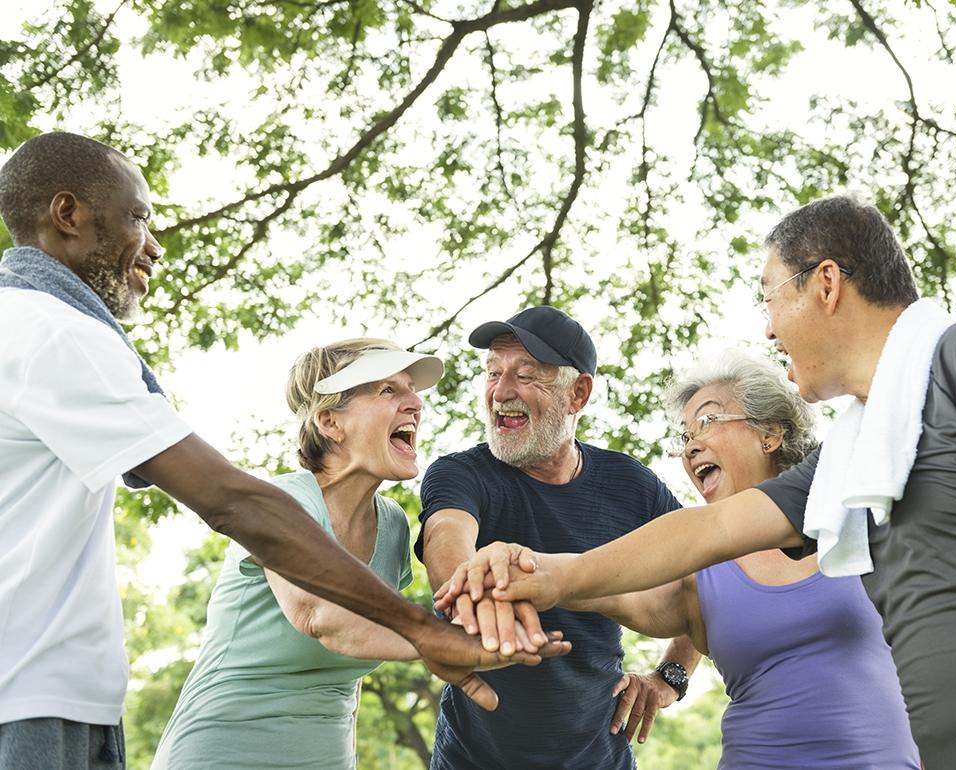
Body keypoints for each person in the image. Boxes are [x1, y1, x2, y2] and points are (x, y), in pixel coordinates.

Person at [439, 196, 956, 769]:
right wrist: (544, 573)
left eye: (770, 296)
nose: (769, 329)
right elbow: (711, 528)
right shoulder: (853, 459)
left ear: (826, 282)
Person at [0, 132, 564, 770]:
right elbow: (234, 503)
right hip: (34, 694)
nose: (155, 245)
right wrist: (429, 633)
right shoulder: (51, 332)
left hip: (64, 693)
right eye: (138, 216)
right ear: (68, 215)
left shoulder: (394, 525)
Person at [152, 338, 566, 769]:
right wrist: (445, 642)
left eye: (411, 390)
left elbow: (350, 672)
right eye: (388, 390)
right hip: (221, 753)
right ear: (331, 422)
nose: (415, 404)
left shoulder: (391, 525)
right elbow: (322, 617)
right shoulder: (284, 501)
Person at [557, 350, 919, 768]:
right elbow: (601, 589)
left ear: (770, 434)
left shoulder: (856, 518)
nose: (691, 446)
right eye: (685, 436)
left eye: (707, 422)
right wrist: (521, 572)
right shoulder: (698, 570)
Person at [417, 305, 696, 770]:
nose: (501, 391)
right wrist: (469, 594)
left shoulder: (631, 485)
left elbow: (703, 577)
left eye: (525, 375)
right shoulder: (460, 473)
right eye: (493, 372)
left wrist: (671, 677)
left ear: (578, 394)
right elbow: (447, 537)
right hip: (473, 760)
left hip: (599, 758)